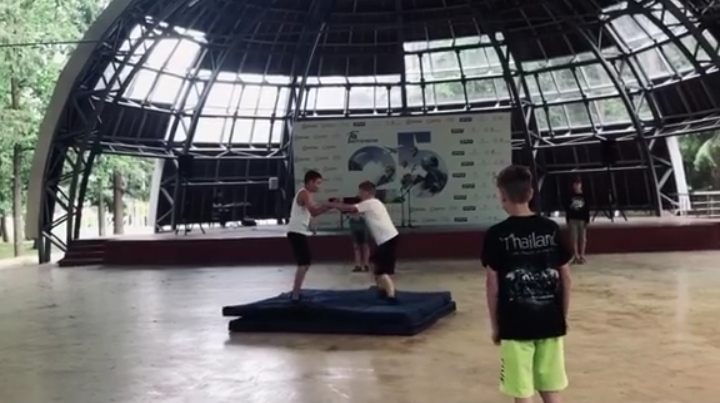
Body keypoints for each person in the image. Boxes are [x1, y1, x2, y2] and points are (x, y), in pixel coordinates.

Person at [481, 165, 572, 403]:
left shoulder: (496, 234)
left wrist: (496, 326)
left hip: (515, 325)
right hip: (550, 320)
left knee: (521, 390)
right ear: (530, 193)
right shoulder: (551, 229)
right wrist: (562, 315)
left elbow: (492, 284)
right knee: (551, 386)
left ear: (502, 195)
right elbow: (566, 276)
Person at [328, 181, 400, 303]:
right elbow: (352, 211)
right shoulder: (372, 203)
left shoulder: (371, 202)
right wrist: (337, 206)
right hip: (387, 239)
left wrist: (333, 204)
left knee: (381, 271)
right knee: (376, 267)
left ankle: (391, 296)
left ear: (367, 192)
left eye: (360, 192)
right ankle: (382, 290)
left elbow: (351, 208)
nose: (359, 194)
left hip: (388, 239)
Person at [286, 170, 333, 301]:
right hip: (296, 231)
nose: (319, 186)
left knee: (305, 263)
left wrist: (311, 226)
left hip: (298, 231)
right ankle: (295, 293)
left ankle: (296, 291)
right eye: (317, 183)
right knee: (303, 263)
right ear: (310, 182)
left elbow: (307, 213)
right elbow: (314, 211)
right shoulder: (304, 193)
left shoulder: (307, 194)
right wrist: (330, 206)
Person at [565, 177, 589, 264]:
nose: (576, 186)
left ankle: (582, 255)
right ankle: (576, 255)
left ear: (581, 185)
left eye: (578, 184)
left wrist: (587, 220)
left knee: (583, 238)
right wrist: (567, 219)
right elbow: (567, 208)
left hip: (582, 219)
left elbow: (587, 208)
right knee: (573, 238)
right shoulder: (570, 196)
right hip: (573, 219)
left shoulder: (584, 196)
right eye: (575, 184)